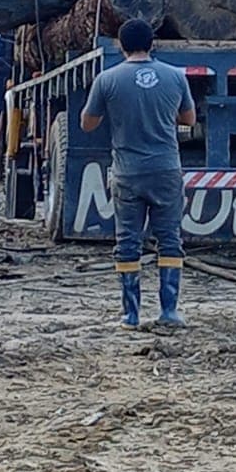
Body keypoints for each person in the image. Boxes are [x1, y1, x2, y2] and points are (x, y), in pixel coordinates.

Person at [80, 17, 197, 329]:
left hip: (127, 173)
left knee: (127, 241)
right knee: (170, 239)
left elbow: (87, 124)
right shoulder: (175, 76)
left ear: (120, 45)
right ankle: (169, 311)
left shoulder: (107, 79)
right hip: (166, 170)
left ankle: (131, 314)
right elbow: (189, 118)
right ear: (152, 44)